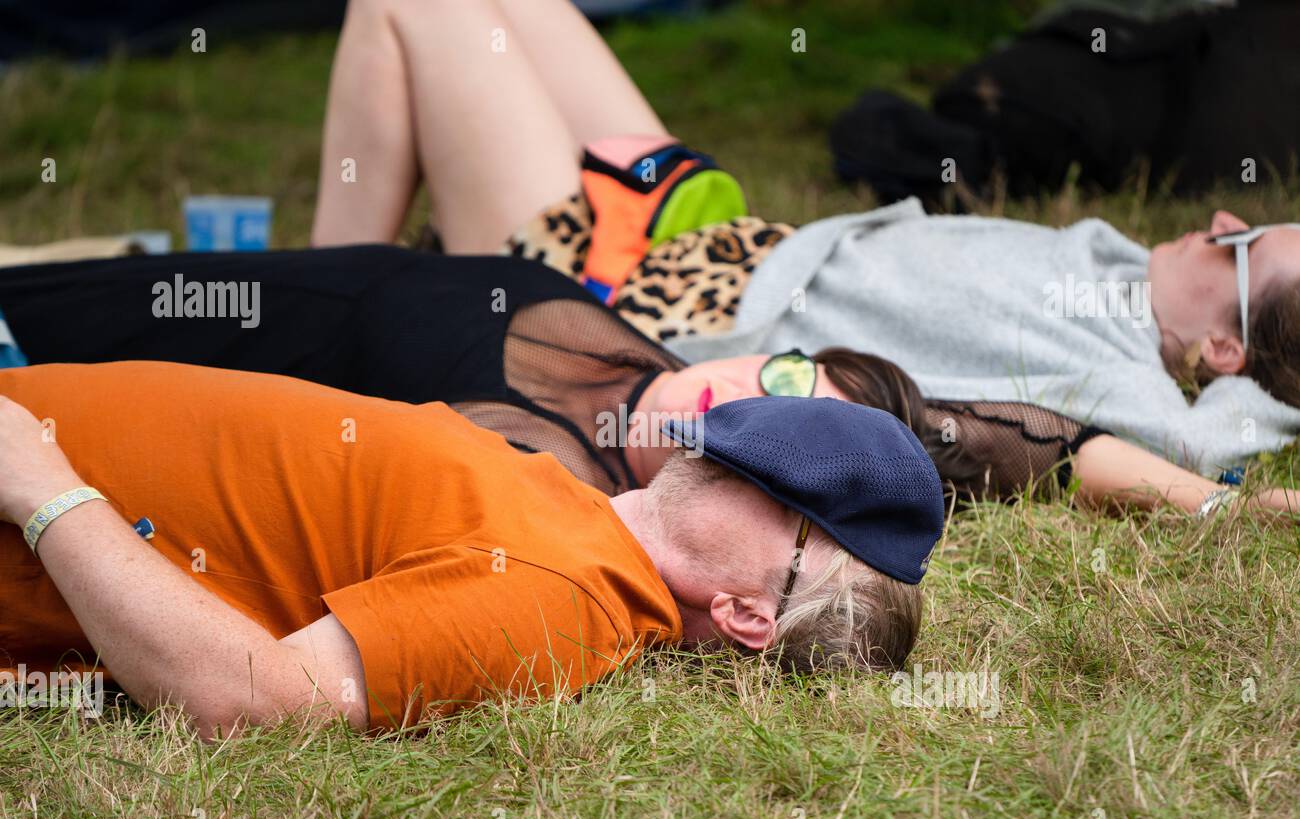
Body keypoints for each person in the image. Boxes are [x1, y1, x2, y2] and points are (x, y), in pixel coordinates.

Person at [309, 0, 1300, 479]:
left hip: (642, 295)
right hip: (724, 234)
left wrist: (1244, 458)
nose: (1218, 220)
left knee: (412, 6)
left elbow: (1218, 439)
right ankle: (339, 294)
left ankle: (309, 334)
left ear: (1222, 352)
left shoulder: (1114, 379)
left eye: (1240, 242)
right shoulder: (1117, 264)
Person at [0, 361, 944, 737]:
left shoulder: (557, 601)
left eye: (785, 498)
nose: (739, 454)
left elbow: (253, 702)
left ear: (749, 613)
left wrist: (44, 490)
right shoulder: (569, 507)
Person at [5, 248, 1296, 518]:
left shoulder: (529, 476)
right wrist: (1236, 514)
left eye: (755, 434)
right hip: (140, 282)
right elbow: (1055, 448)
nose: (725, 397)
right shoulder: (684, 362)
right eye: (783, 376)